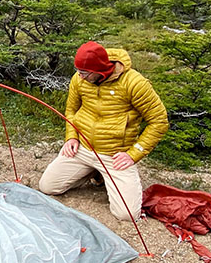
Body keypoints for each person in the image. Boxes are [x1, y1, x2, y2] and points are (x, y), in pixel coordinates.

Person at [38, 41, 169, 221]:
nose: (80, 77)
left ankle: (104, 173)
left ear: (99, 70)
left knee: (127, 215)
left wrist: (133, 155)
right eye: (78, 71)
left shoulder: (134, 83)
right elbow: (71, 111)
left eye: (84, 73)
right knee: (48, 187)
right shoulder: (79, 78)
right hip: (82, 148)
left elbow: (159, 121)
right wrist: (71, 137)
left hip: (114, 155)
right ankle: (93, 171)